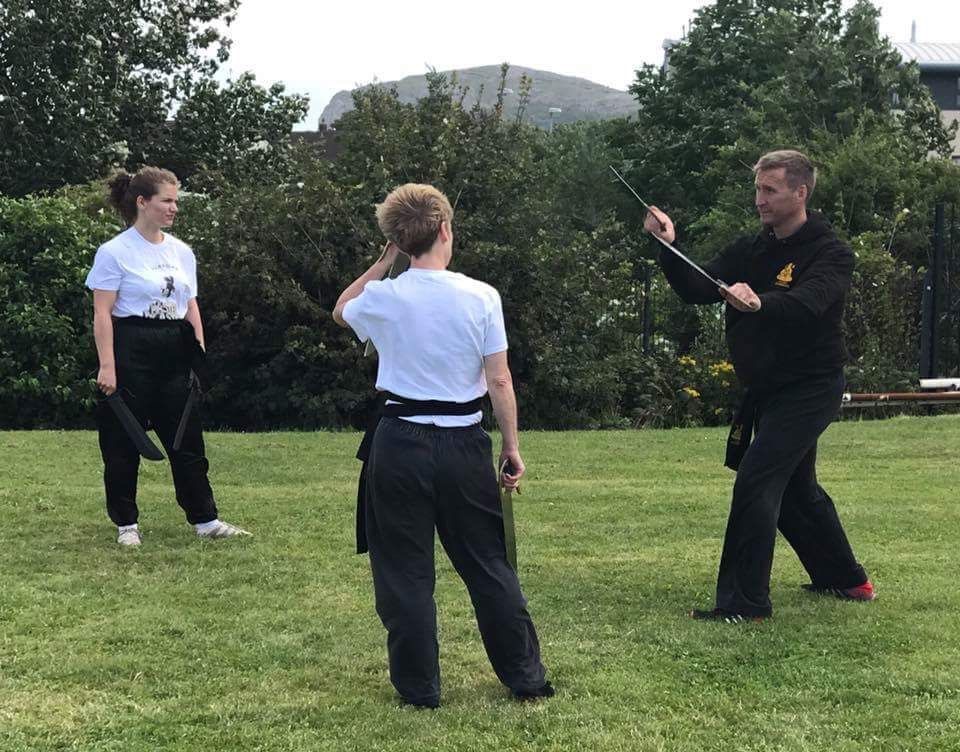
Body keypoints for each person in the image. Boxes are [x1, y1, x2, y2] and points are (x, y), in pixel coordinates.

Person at [333, 183, 552, 707]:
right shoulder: (481, 295)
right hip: (463, 442)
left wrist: (386, 260)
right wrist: (511, 446)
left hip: (399, 442)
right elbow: (499, 381)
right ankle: (526, 679)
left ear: (399, 242)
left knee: (405, 570)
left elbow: (342, 308)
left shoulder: (383, 297)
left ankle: (419, 690)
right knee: (487, 563)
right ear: (446, 229)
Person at [643, 149, 875, 622]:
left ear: (800, 192)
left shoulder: (831, 252)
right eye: (758, 189)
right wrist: (666, 245)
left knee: (758, 478)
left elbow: (809, 304)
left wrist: (760, 304)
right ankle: (846, 579)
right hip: (766, 389)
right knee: (796, 489)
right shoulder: (753, 248)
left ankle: (744, 604)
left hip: (811, 387)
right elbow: (696, 287)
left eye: (770, 190)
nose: (759, 200)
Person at [86, 167, 249, 546]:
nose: (174, 208)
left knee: (186, 438)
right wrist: (108, 365)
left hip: (174, 349)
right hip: (131, 346)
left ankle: (206, 520)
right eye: (167, 201)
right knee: (122, 443)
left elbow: (189, 305)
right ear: (143, 202)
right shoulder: (114, 252)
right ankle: (127, 524)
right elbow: (102, 314)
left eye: (176, 201)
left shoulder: (181, 251)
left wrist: (198, 352)